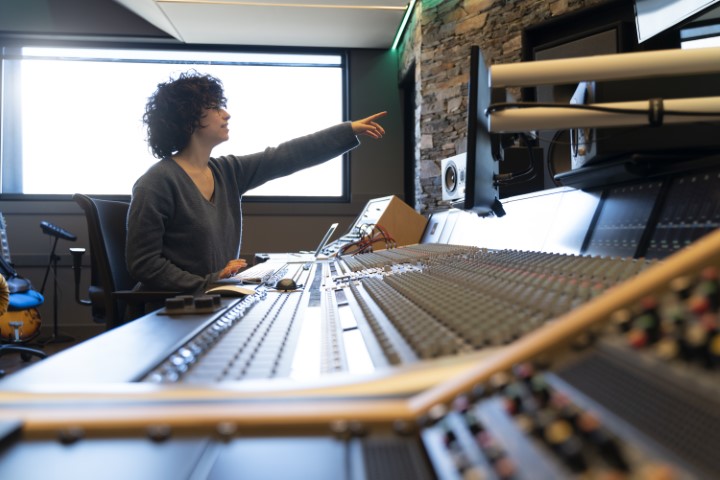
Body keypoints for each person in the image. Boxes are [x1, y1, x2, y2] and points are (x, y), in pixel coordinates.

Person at [126, 71, 386, 295]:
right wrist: (208, 282)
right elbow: (144, 263)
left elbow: (285, 156)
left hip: (213, 298)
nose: (226, 114)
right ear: (189, 117)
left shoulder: (226, 171)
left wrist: (348, 130)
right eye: (216, 107)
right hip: (172, 309)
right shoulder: (156, 182)